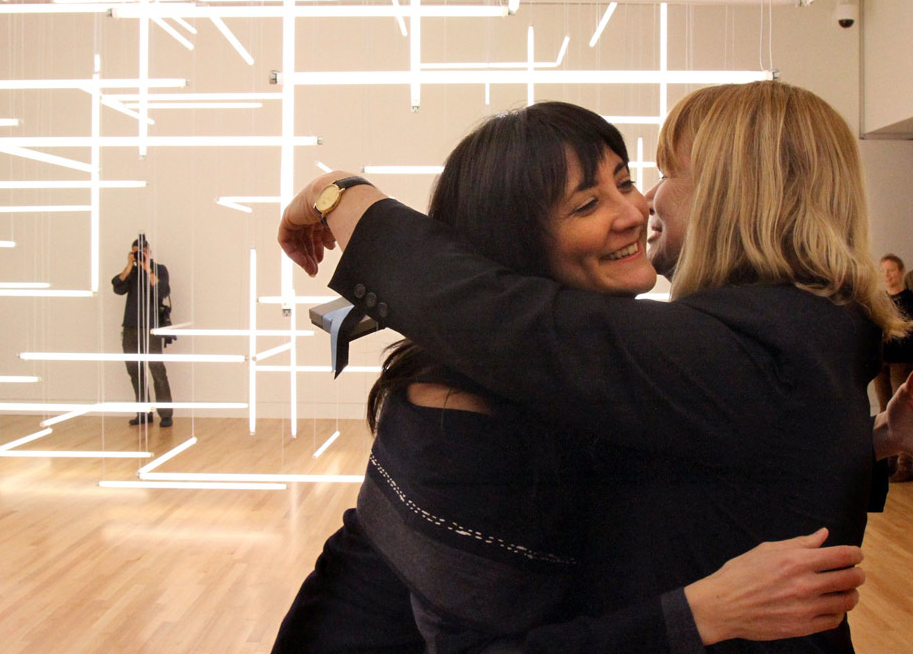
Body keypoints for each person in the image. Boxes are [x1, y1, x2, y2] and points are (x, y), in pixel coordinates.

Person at [279, 83, 913, 653]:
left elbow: (497, 313)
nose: (642, 206)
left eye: (643, 176)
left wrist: (337, 194)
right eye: (587, 203)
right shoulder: (457, 405)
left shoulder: (743, 339)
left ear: (736, 194)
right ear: (515, 247)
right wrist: (696, 613)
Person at [111, 235, 174, 428]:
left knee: (157, 370)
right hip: (130, 327)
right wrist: (130, 265)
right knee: (134, 371)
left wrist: (147, 268)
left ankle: (165, 414)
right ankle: (143, 412)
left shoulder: (159, 269)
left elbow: (162, 291)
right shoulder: (131, 272)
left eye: (142, 252)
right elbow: (117, 287)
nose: (139, 255)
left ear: (149, 252)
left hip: (151, 328)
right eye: (135, 252)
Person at [875, 254, 913, 481]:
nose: (887, 275)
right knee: (884, 409)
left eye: (890, 270)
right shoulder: (879, 300)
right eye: (883, 270)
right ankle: (887, 462)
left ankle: (906, 465)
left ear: (900, 272)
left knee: (903, 412)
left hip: (903, 359)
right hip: (882, 360)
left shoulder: (910, 299)